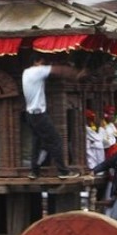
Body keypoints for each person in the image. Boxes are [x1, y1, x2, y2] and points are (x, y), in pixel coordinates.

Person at [22, 52, 83, 180]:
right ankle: (63, 171)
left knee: (37, 144)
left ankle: (34, 171)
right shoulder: (36, 71)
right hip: (39, 115)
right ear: (37, 62)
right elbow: (59, 70)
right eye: (43, 63)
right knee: (56, 141)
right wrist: (77, 74)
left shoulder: (26, 72)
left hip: (30, 115)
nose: (45, 66)